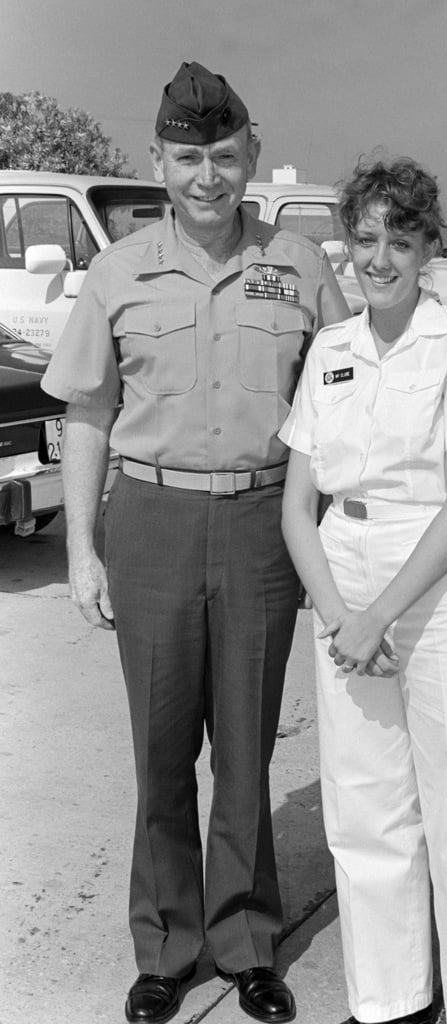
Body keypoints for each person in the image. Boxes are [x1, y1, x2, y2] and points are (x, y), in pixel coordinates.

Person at [41, 60, 349, 1024]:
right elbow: (87, 413)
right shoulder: (118, 272)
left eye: (222, 154)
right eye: (186, 157)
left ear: (252, 152)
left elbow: (344, 396)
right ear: (158, 161)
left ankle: (248, 940)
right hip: (155, 521)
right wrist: (81, 550)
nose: (206, 176)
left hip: (264, 526)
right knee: (162, 750)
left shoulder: (300, 266)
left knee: (248, 748)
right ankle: (168, 946)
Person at [279, 157, 447, 1024]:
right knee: (364, 811)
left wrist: (379, 615)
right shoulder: (330, 349)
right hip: (341, 575)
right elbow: (295, 506)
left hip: (434, 586)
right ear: (345, 246)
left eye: (399, 238)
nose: (379, 258)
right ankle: (387, 998)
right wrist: (339, 612)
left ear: (429, 245)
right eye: (363, 238)